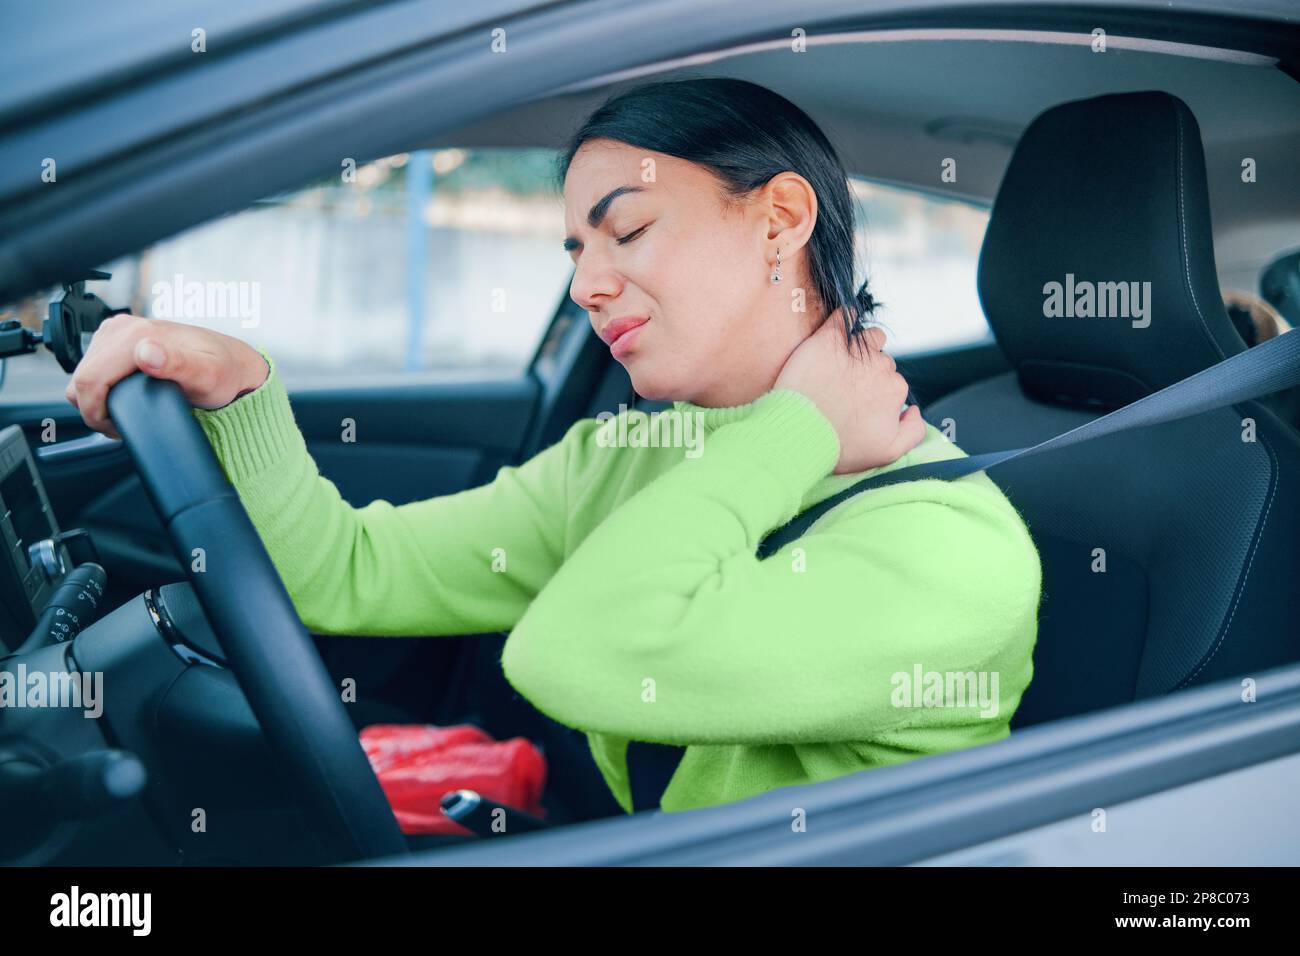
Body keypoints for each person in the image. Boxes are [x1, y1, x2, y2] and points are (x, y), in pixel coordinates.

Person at [64, 76, 1043, 816]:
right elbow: (345, 573)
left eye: (628, 230)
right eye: (575, 251)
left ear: (780, 219)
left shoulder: (952, 547)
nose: (585, 284)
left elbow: (583, 648)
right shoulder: (624, 457)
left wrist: (796, 427)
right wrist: (241, 387)